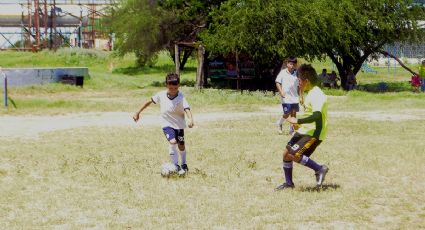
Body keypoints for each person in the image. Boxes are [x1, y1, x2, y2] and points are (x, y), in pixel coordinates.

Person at [275, 64, 329, 191]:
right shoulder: (309, 92)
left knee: (295, 154)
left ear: (306, 81)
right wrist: (298, 124)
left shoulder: (317, 94)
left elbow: (317, 115)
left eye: (299, 80)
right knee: (286, 154)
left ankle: (320, 169)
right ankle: (289, 184)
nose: (298, 83)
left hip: (314, 133)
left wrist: (298, 120)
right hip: (304, 130)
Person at [133, 73, 194, 176]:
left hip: (179, 125)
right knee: (173, 141)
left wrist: (190, 119)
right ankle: (176, 165)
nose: (173, 90)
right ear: (166, 85)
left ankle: (183, 164)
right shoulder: (160, 95)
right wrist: (137, 112)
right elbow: (148, 102)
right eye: (171, 88)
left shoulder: (181, 96)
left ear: (179, 86)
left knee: (181, 145)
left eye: (175, 88)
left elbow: (186, 109)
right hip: (167, 124)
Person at [275, 56, 301, 135]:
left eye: (293, 64)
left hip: (295, 97)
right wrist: (281, 91)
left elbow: (299, 85)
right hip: (285, 97)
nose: (292, 66)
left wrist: (300, 96)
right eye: (290, 64)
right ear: (287, 64)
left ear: (295, 65)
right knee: (287, 113)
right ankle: (279, 123)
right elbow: (277, 82)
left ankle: (291, 130)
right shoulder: (283, 72)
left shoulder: (297, 74)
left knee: (294, 113)